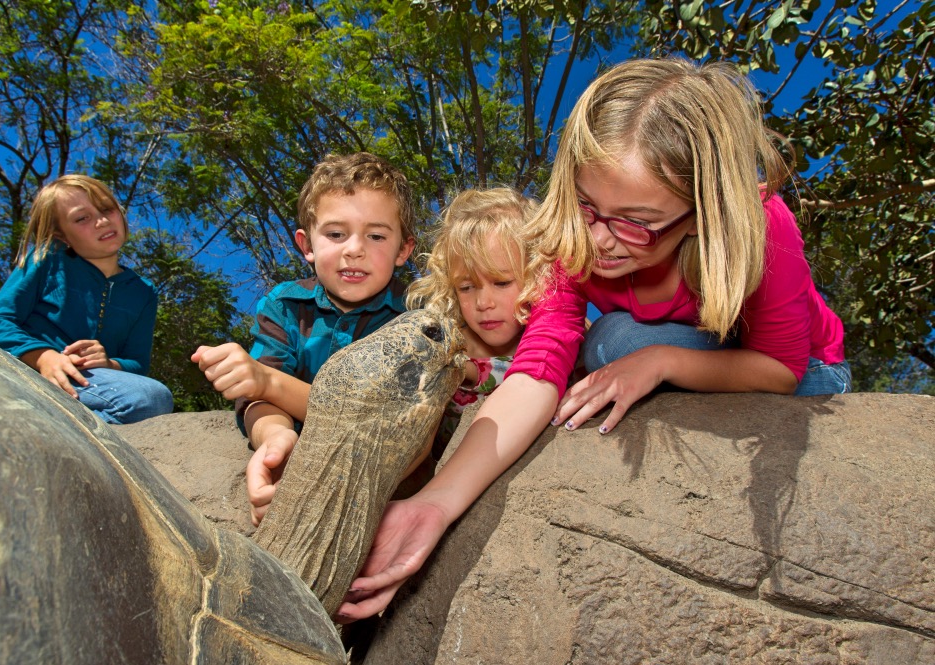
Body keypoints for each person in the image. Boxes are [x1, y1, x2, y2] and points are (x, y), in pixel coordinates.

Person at [335, 58, 850, 621]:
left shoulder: (762, 224)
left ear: (704, 212)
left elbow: (782, 368)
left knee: (616, 342)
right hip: (687, 349)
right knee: (601, 344)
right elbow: (539, 367)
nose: (600, 240)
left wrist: (660, 362)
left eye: (636, 220)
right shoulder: (574, 240)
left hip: (807, 369)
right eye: (586, 206)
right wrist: (435, 503)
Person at [191, 152, 417, 525]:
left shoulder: (415, 320)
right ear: (307, 245)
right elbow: (256, 401)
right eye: (335, 234)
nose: (354, 249)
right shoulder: (283, 305)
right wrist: (275, 438)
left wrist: (267, 380)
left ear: (403, 250)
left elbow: (381, 424)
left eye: (376, 235)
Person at [0, 174, 173, 425]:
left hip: (89, 384)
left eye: (107, 209)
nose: (102, 221)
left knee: (153, 398)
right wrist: (44, 356)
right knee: (148, 399)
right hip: (31, 372)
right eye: (82, 218)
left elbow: (137, 364)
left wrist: (110, 363)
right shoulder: (47, 258)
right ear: (61, 235)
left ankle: (48, 426)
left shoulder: (143, 291)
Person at [406, 187, 538, 461]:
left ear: (538, 272)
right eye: (466, 287)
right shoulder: (450, 341)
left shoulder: (557, 331)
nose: (483, 302)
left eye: (501, 282)